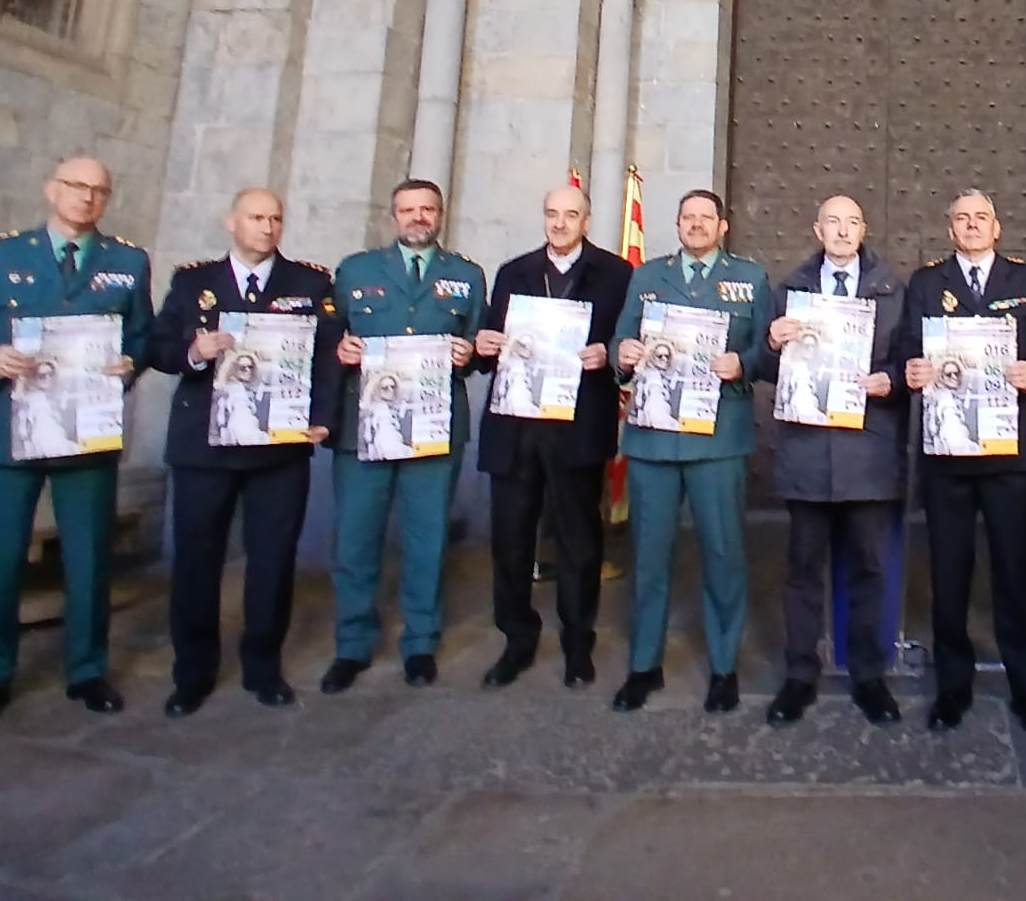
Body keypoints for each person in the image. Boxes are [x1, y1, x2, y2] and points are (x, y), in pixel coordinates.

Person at [0, 156, 152, 726]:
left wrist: (131, 362)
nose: (86, 198)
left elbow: (142, 336)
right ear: (51, 190)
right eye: (76, 186)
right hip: (7, 433)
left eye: (98, 191)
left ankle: (87, 669)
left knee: (88, 560)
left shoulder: (128, 261)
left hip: (85, 433)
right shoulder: (1, 255)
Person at [147, 188, 340, 717]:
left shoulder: (310, 283)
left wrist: (323, 418)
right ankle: (192, 672)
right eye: (256, 217)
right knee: (196, 561)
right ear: (232, 221)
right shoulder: (194, 282)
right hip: (204, 447)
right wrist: (193, 351)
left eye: (276, 218)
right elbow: (157, 346)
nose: (267, 227)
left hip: (277, 450)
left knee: (273, 561)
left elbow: (328, 358)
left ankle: (263, 667)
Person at [609, 189, 772, 714]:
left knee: (723, 554)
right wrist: (625, 355)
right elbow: (620, 341)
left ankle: (724, 666)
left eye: (707, 218)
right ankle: (643, 665)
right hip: (654, 437)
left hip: (718, 439)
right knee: (650, 556)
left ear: (723, 226)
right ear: (677, 225)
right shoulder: (648, 276)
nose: (697, 225)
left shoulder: (750, 279)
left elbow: (768, 351)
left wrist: (742, 364)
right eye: (688, 218)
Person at [320, 179, 486, 693]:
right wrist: (339, 350)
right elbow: (326, 337)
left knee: (427, 536)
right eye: (407, 210)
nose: (417, 218)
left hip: (434, 427)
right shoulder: (356, 270)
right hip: (363, 426)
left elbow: (479, 344)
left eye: (427, 210)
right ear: (393, 216)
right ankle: (351, 645)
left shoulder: (466, 275)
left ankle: (420, 642)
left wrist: (470, 354)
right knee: (356, 538)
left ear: (440, 215)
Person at [898, 189, 1026, 737]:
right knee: (949, 574)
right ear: (950, 229)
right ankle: (952, 688)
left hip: (1012, 453)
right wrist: (912, 370)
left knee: (1015, 573)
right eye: (961, 218)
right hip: (949, 455)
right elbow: (904, 351)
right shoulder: (926, 282)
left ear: (998, 226)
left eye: (980, 217)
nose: (971, 226)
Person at [474, 184, 633, 690]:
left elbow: (630, 342)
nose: (560, 223)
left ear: (587, 220)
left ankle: (577, 643)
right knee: (511, 542)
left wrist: (609, 353)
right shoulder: (513, 272)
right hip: (516, 428)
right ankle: (517, 640)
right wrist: (485, 343)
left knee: (580, 543)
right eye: (552, 214)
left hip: (578, 427)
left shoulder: (616, 274)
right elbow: (487, 348)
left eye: (571, 215)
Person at [764, 194, 907, 727]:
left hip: (867, 450)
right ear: (817, 229)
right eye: (833, 223)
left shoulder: (893, 288)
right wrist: (772, 341)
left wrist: (889, 380)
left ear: (863, 229)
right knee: (802, 569)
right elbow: (763, 364)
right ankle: (800, 675)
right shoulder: (792, 289)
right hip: (807, 452)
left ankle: (869, 676)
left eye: (851, 223)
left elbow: (908, 359)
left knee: (868, 568)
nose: (843, 231)